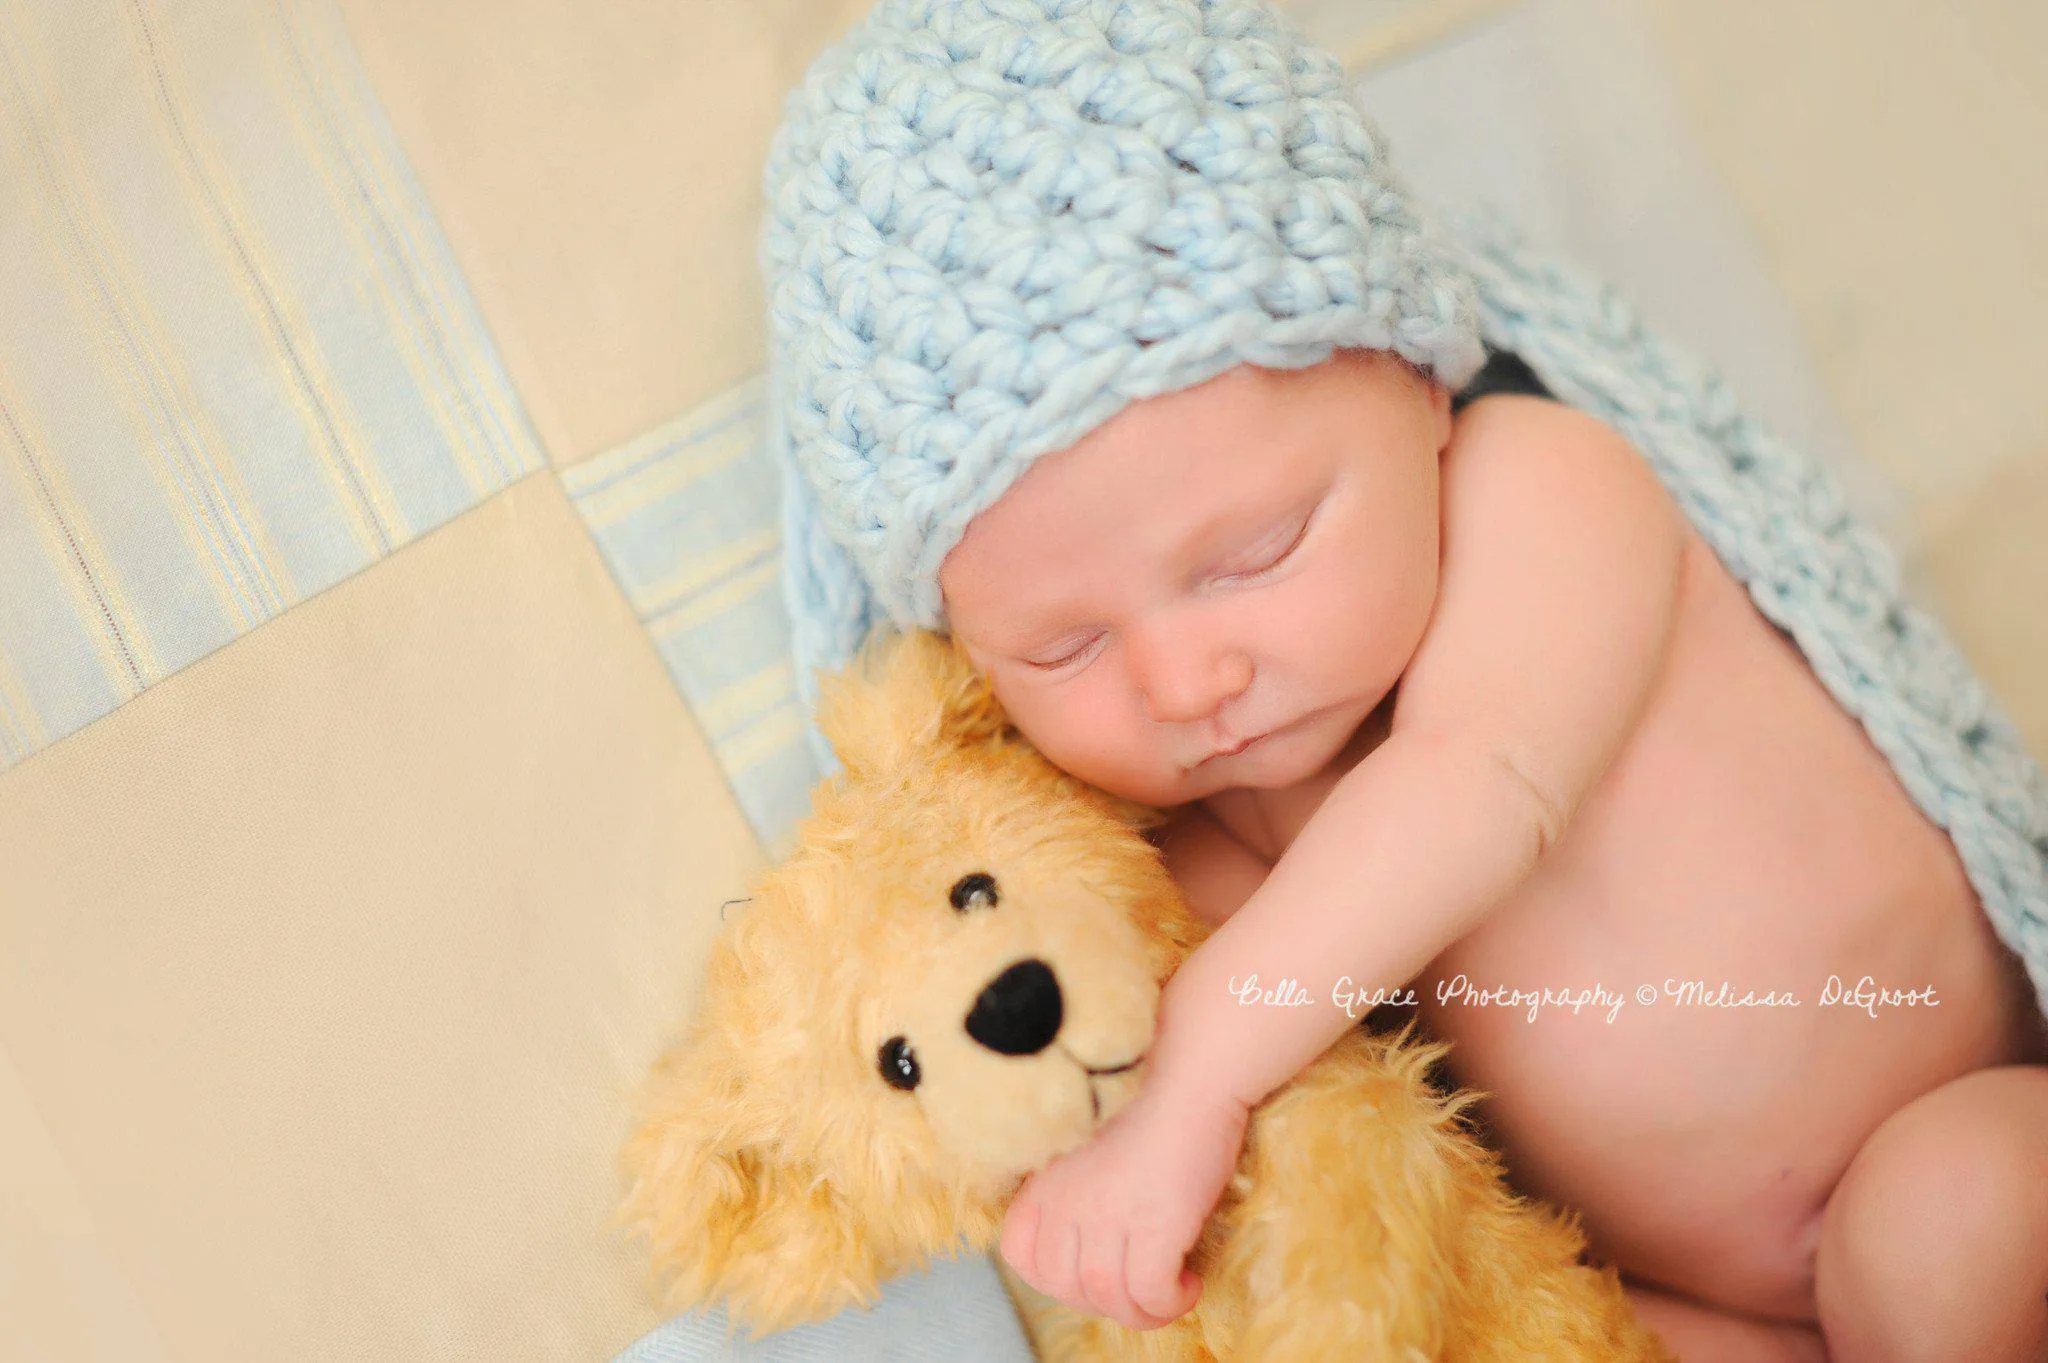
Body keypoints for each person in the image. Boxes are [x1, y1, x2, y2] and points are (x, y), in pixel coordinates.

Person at [759, 2, 2048, 1358]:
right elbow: (1281, 1070)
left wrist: (1194, 1076)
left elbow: (1476, 783)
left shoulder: (1545, 486)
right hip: (1695, 1299)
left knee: (1936, 1229)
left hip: (1965, 1120)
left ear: (1413, 380)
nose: (1189, 677)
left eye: (1255, 552)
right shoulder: (1215, 822)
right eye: (1063, 647)